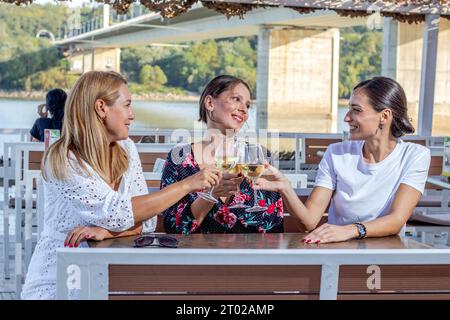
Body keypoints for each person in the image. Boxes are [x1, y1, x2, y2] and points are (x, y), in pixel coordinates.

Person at [21, 71, 220, 299]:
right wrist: (187, 185)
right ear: (101, 107)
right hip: (61, 279)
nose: (132, 115)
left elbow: (145, 223)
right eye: (126, 105)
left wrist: (107, 232)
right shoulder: (63, 159)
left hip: (114, 274)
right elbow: (119, 213)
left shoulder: (127, 149)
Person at [255, 77, 431, 244]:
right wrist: (285, 188)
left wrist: (349, 230)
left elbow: (397, 219)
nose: (347, 117)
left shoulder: (415, 155)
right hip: (340, 253)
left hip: (387, 255)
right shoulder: (336, 153)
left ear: (384, 116)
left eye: (356, 110)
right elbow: (308, 222)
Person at [160, 75, 284, 234]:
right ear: (210, 103)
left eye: (247, 105)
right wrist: (210, 196)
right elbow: (173, 228)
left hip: (252, 257)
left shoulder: (259, 157)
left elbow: (274, 224)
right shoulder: (180, 158)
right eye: (236, 99)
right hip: (199, 256)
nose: (244, 109)